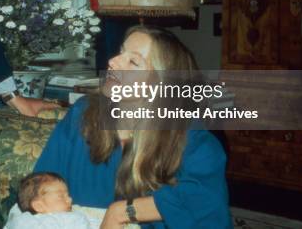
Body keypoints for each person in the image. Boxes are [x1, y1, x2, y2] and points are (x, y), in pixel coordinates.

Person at [34, 26, 232, 228]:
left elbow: (206, 203)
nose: (112, 61)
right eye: (121, 52)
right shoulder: (83, 113)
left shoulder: (191, 136)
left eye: (133, 61)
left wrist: (122, 211)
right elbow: (39, 186)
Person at [4, 172, 100, 229]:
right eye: (61, 196)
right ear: (39, 206)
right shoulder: (29, 221)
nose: (70, 199)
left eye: (68, 195)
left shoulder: (76, 213)